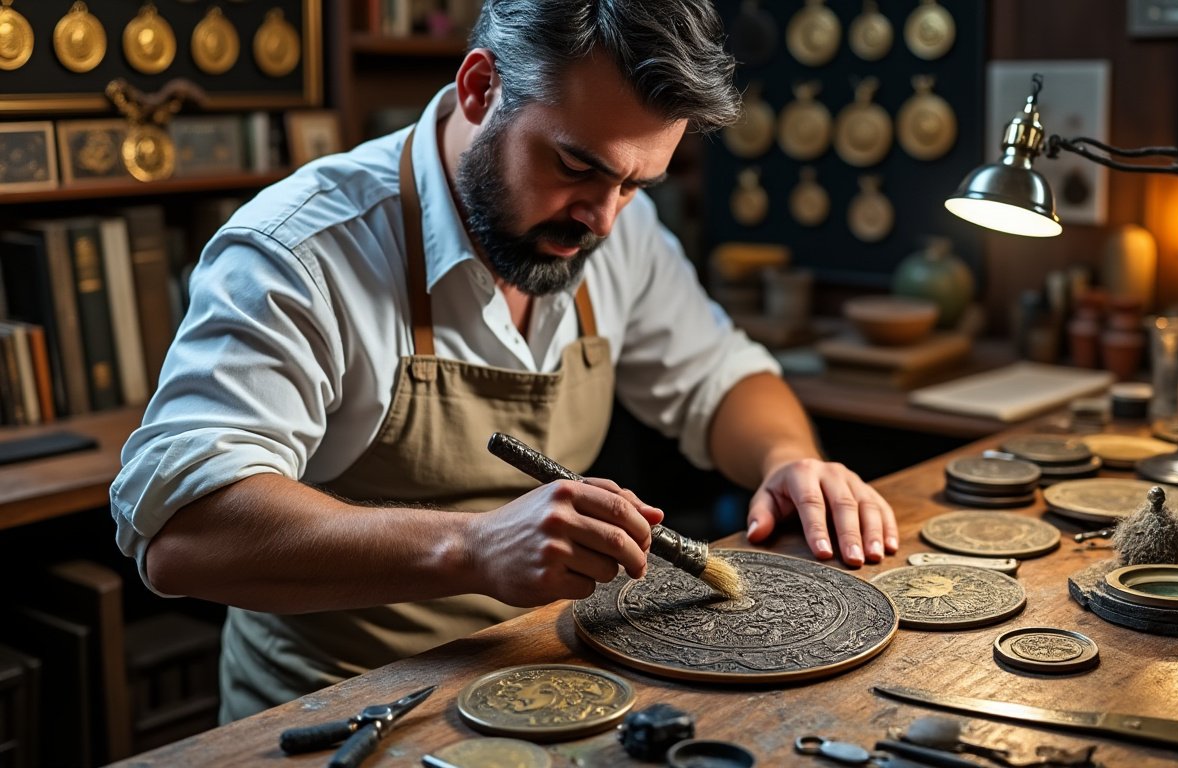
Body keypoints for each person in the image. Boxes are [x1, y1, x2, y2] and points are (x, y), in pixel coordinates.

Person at [111, 0, 899, 721]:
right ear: (482, 88)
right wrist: (472, 548)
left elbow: (722, 380)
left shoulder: (615, 228)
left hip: (544, 684)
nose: (602, 217)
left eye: (635, 182)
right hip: (338, 710)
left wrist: (791, 460)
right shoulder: (302, 252)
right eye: (578, 166)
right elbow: (185, 533)